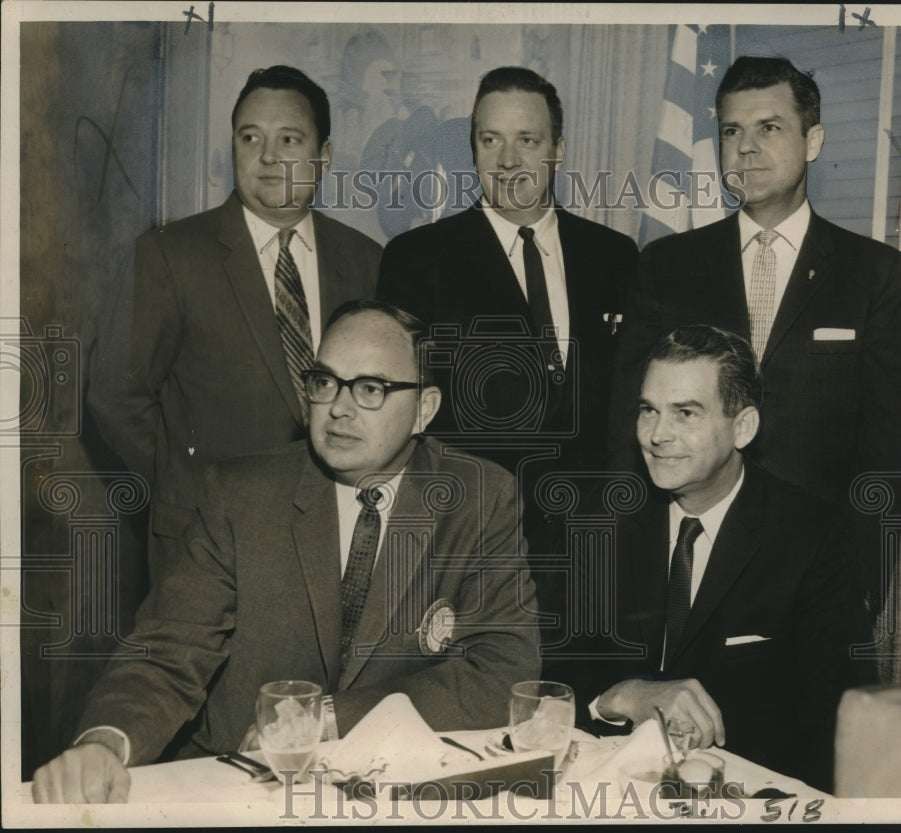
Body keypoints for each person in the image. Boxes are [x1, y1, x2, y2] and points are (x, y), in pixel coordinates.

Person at [32, 300, 540, 804]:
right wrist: (105, 742)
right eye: (324, 382)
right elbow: (167, 653)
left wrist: (333, 717)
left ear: (423, 409)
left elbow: (502, 672)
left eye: (370, 389)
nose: (338, 408)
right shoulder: (240, 494)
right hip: (244, 787)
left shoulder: (479, 497)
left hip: (397, 790)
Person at [609, 57, 901, 609]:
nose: (746, 148)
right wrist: (618, 565)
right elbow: (625, 427)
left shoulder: (873, 272)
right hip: (688, 555)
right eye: (732, 131)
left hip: (816, 567)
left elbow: (884, 451)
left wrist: (866, 579)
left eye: (769, 128)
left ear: (812, 140)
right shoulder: (666, 265)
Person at [88, 65, 382, 582]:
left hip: (334, 541)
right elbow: (115, 394)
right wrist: (186, 481)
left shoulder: (365, 260)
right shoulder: (168, 255)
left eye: (289, 138)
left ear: (324, 157)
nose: (268, 156)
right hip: (205, 544)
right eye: (250, 137)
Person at [376, 65, 637, 625]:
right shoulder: (415, 260)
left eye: (528, 140)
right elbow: (402, 422)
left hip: (595, 555)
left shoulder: (615, 257)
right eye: (490, 139)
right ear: (473, 148)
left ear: (558, 150)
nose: (508, 159)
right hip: (468, 553)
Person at [565, 326, 874, 793]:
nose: (657, 435)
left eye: (685, 413)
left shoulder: (814, 536)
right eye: (648, 410)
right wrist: (623, 696)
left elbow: (837, 723)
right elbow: (552, 675)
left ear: (743, 427)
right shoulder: (601, 514)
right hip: (608, 788)